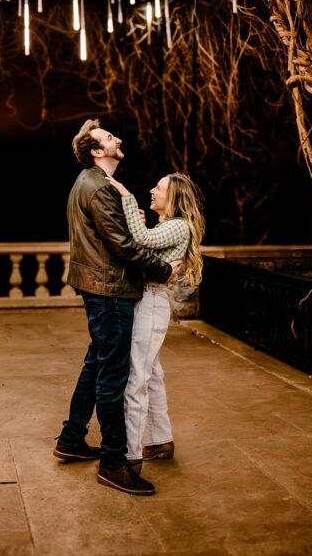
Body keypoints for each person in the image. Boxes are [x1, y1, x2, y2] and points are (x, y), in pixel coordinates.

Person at [53, 119, 181, 496]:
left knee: (96, 364)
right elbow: (122, 246)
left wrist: (129, 222)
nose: (117, 139)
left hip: (97, 287)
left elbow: (113, 236)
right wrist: (163, 270)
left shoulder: (88, 182)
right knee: (113, 376)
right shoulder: (100, 187)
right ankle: (113, 463)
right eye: (109, 138)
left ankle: (71, 439)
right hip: (110, 291)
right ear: (97, 152)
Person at [105, 172, 205, 472]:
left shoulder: (177, 226)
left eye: (158, 188)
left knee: (136, 377)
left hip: (151, 302)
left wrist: (126, 197)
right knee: (152, 374)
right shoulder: (168, 226)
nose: (152, 190)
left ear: (172, 197)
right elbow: (144, 249)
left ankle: (131, 455)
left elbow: (143, 240)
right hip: (150, 300)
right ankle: (160, 440)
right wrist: (135, 220)